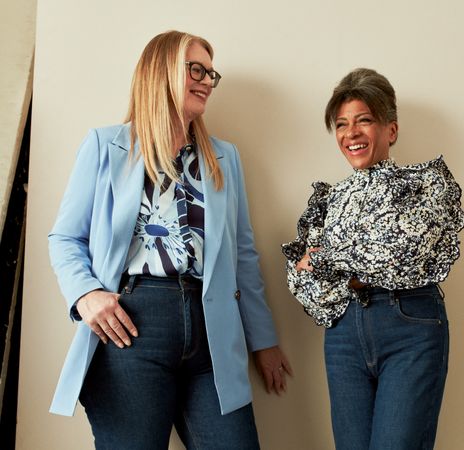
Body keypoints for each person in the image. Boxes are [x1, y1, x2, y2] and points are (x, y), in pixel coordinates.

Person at [48, 30, 291, 449]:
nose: (205, 80)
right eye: (194, 68)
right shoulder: (106, 147)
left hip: (212, 327)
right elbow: (65, 237)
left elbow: (242, 256)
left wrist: (263, 340)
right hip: (132, 326)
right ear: (159, 71)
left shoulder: (223, 158)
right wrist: (85, 294)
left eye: (211, 73)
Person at [282, 68, 464, 450]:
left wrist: (326, 262)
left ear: (391, 130)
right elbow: (306, 289)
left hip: (409, 328)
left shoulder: (424, 186)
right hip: (344, 337)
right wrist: (351, 263)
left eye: (364, 120)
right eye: (341, 124)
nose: (351, 133)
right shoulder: (329, 202)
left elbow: (399, 255)